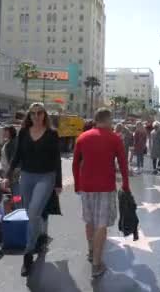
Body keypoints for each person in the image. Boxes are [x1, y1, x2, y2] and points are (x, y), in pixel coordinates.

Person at [73, 108, 130, 278]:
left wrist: (77, 184)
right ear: (108, 120)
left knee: (89, 221)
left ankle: (91, 251)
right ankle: (97, 263)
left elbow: (75, 164)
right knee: (101, 224)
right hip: (105, 186)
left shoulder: (82, 137)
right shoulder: (115, 138)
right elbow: (123, 163)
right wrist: (126, 184)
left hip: (86, 186)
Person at [7, 103, 62, 277]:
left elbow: (56, 160)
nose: (36, 116)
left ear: (45, 115)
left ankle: (27, 254)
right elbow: (17, 156)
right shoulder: (23, 133)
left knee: (33, 212)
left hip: (46, 177)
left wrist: (58, 183)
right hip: (27, 176)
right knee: (29, 213)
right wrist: (8, 175)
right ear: (29, 116)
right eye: (33, 114)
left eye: (40, 113)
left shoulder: (52, 134)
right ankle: (38, 237)